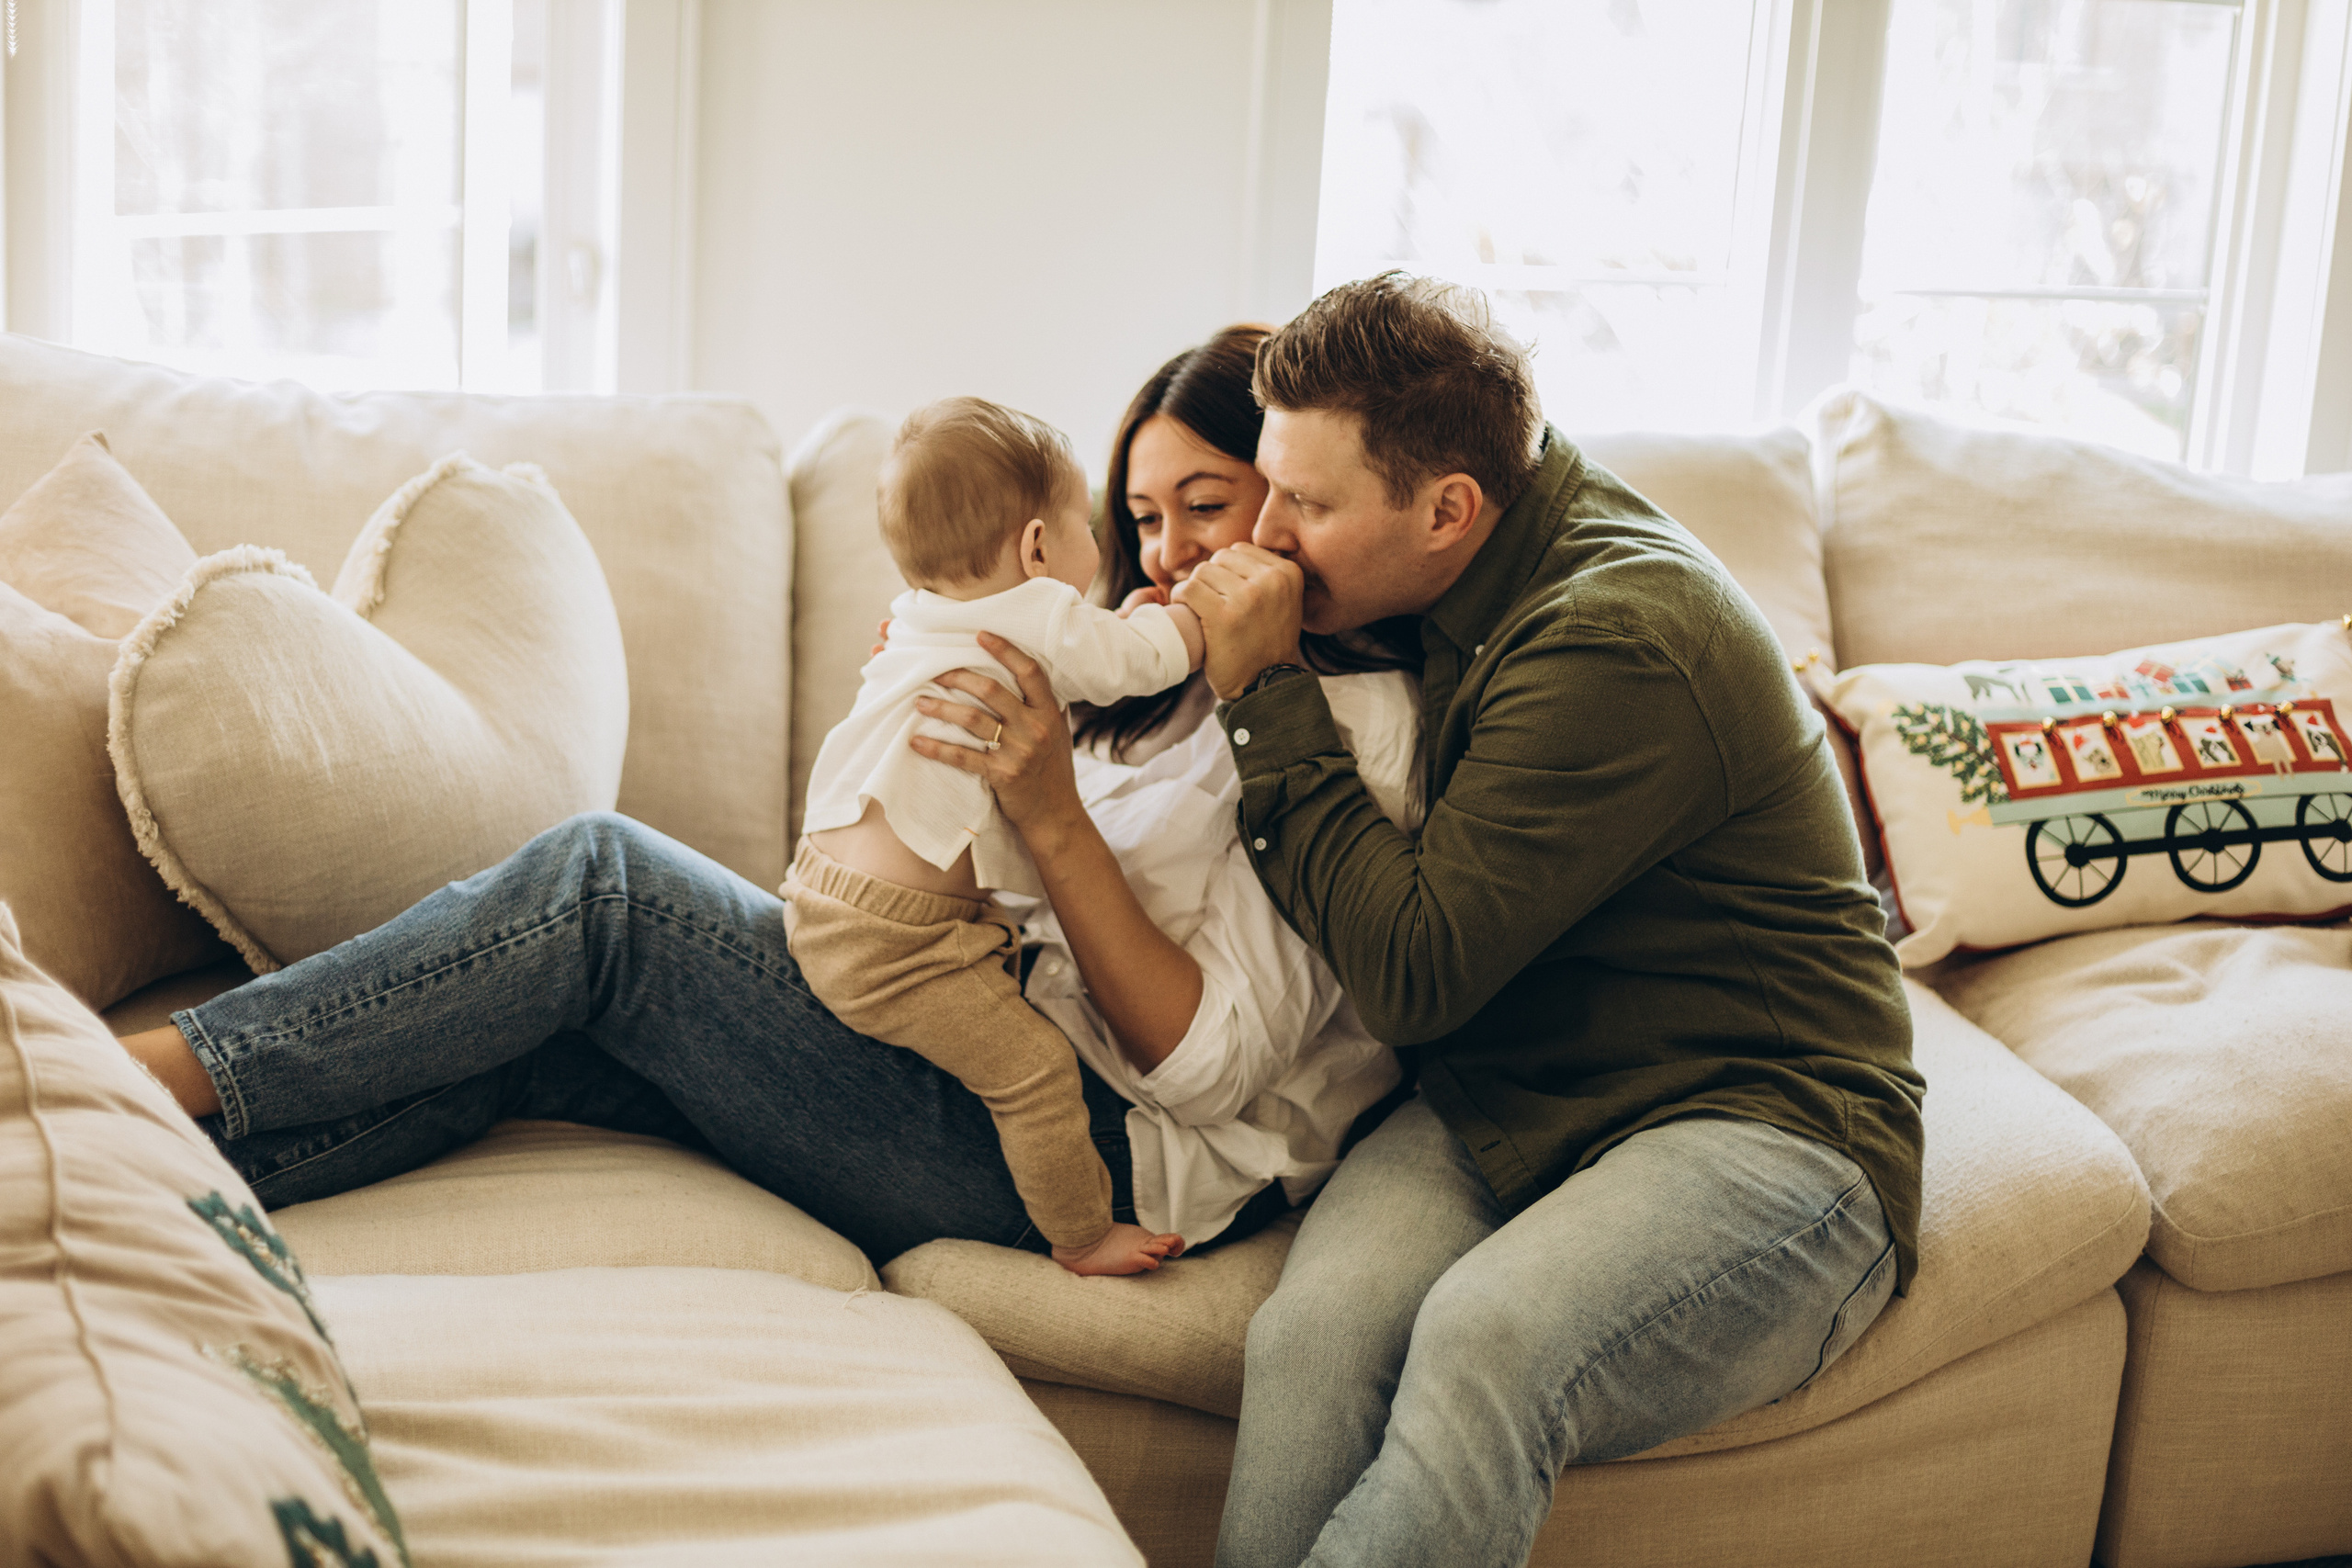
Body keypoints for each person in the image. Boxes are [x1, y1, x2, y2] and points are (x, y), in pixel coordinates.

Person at [111, 332, 1406, 1283]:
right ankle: (130, 1193)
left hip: (1093, 1145)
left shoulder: (1350, 731)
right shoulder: (1127, 679)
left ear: (1286, 510)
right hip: (972, 1037)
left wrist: (1055, 812)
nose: (1171, 554)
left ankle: (118, 1079)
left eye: (1207, 508)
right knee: (535, 1032)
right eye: (1141, 516)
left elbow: (1211, 1063)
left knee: (602, 887)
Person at [1170, 274, 1928, 1568]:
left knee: (1488, 1338)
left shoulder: (1616, 637)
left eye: (1307, 501)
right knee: (1311, 1337)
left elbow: (1414, 968)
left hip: (1761, 1121)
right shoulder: (1464, 557)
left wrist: (1267, 687)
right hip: (1515, 1089)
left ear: (1450, 507)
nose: (1269, 531)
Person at [790, 396, 1204, 1276]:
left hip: (824, 889)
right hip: (904, 943)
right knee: (1036, 1076)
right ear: (1036, 550)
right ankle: (1083, 1233)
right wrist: (1197, 618)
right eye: (1095, 525)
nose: (1106, 550)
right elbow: (1138, 661)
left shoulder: (917, 615)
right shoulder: (1037, 613)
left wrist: (1116, 620)